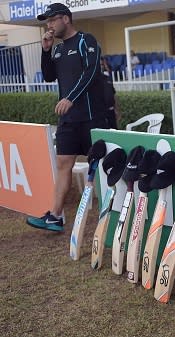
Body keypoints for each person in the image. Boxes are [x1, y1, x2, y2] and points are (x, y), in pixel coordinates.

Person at [27, 3, 108, 232]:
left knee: (99, 168)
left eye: (52, 20)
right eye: (47, 22)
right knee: (63, 164)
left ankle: (107, 217)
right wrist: (45, 50)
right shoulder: (59, 49)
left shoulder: (86, 40)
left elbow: (91, 72)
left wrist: (71, 98)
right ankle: (55, 217)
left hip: (92, 118)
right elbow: (48, 76)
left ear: (66, 19)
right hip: (68, 121)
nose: (49, 25)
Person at [100, 56, 120, 129]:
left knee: (115, 132)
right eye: (99, 65)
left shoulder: (107, 78)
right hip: (100, 113)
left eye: (102, 65)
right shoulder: (93, 81)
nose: (101, 67)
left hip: (111, 112)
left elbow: (113, 94)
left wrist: (117, 110)